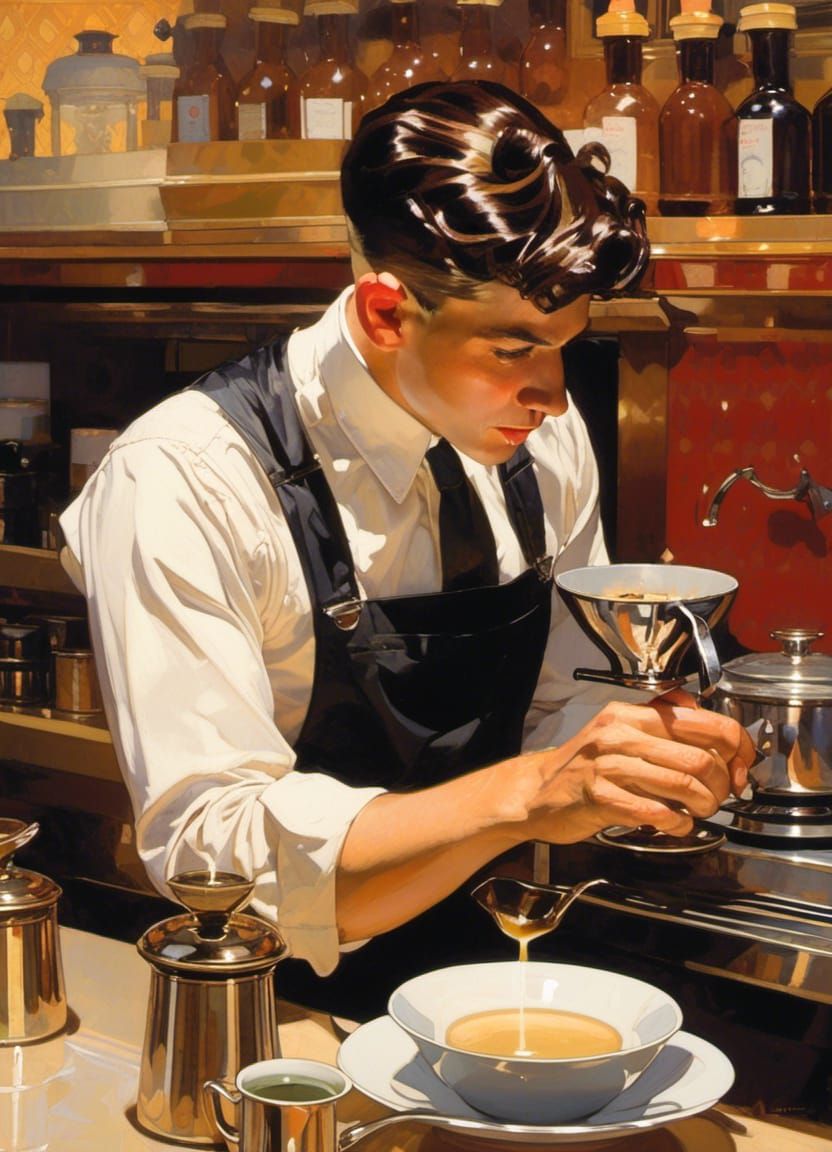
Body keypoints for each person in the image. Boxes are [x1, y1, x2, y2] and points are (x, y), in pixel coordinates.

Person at [59, 80, 754, 1018]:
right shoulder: (185, 478)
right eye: (512, 349)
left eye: (565, 346)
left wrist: (633, 755)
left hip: (488, 963)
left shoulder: (541, 436)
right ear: (386, 314)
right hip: (272, 1004)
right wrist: (530, 792)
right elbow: (211, 852)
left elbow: (561, 699)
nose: (553, 395)